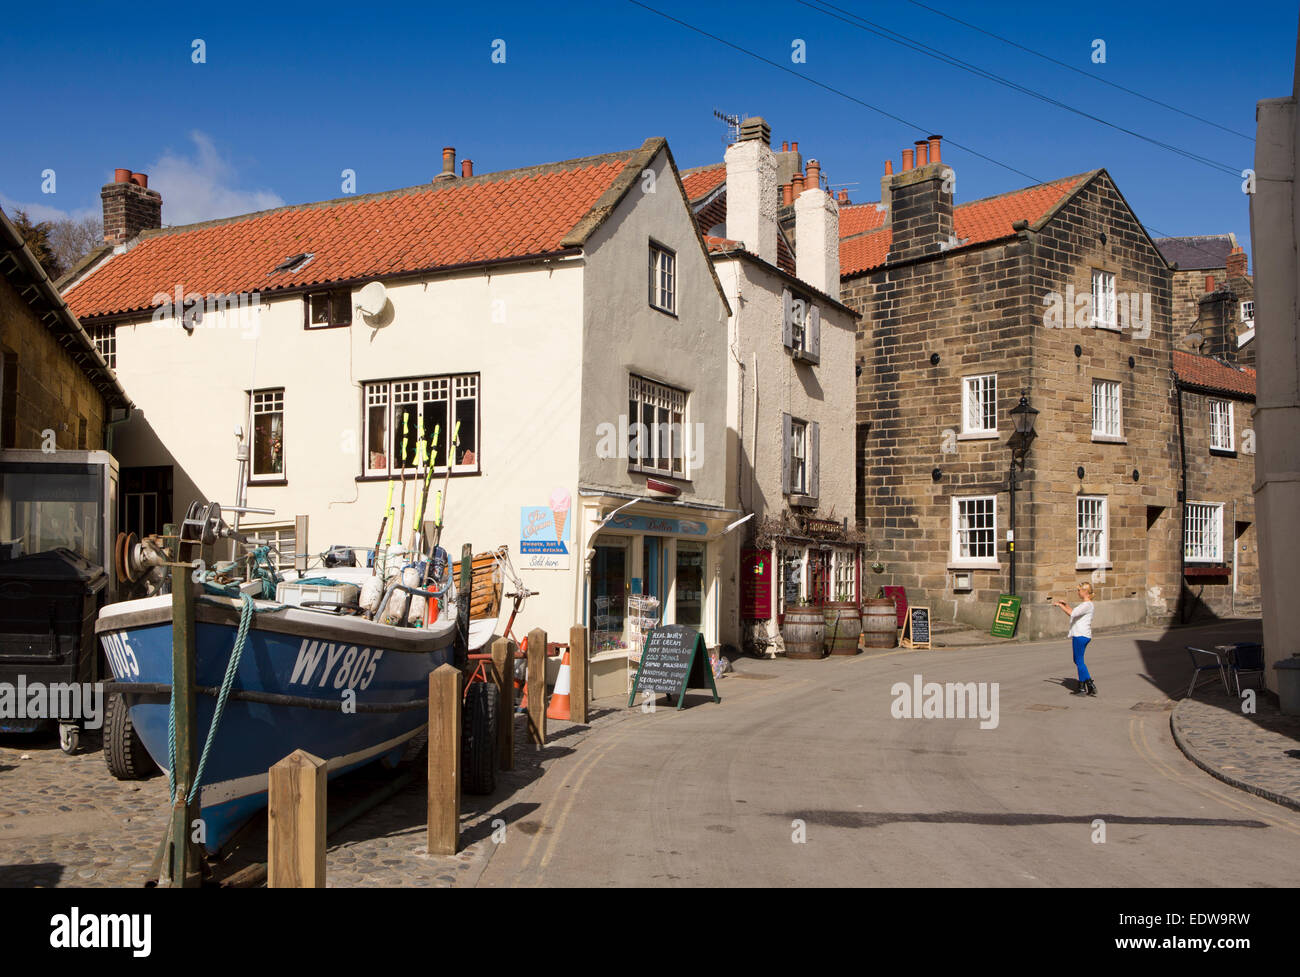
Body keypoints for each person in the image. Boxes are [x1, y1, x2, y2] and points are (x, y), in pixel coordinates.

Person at [1052, 582, 1096, 696]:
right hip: (1082, 635)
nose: (1078, 592)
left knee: (1079, 661)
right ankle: (1090, 685)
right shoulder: (1087, 605)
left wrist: (1060, 605)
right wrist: (1065, 605)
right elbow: (1074, 613)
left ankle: (1082, 687)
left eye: (1079, 590)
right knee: (1078, 660)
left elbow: (1072, 613)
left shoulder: (1086, 605)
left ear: (1085, 592)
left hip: (1080, 635)